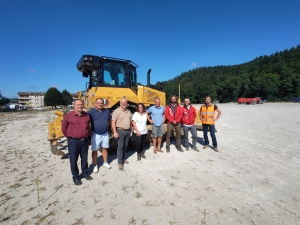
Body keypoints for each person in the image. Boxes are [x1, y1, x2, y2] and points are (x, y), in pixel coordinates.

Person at [62, 99, 93, 185]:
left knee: (84, 158)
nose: (80, 106)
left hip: (85, 141)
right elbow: (64, 128)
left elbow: (88, 127)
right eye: (78, 105)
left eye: (81, 104)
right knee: (73, 160)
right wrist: (69, 137)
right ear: (74, 106)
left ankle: (85, 173)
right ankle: (75, 177)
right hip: (73, 141)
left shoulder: (86, 115)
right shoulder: (69, 116)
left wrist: (90, 134)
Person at [88, 98, 112, 173]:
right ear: (95, 104)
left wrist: (110, 130)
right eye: (98, 103)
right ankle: (95, 164)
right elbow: (86, 123)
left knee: (105, 148)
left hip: (105, 134)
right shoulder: (91, 112)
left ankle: (105, 162)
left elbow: (109, 121)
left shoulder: (107, 111)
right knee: (95, 150)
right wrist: (89, 132)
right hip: (95, 134)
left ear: (103, 104)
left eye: (101, 103)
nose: (100, 104)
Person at [111, 98, 132, 170]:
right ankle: (120, 163)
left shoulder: (129, 111)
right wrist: (115, 132)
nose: (124, 103)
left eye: (125, 102)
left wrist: (131, 130)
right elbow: (113, 122)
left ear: (127, 103)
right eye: (122, 102)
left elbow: (130, 121)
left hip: (127, 131)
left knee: (125, 146)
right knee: (120, 147)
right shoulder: (116, 111)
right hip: (120, 131)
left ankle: (123, 158)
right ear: (120, 103)